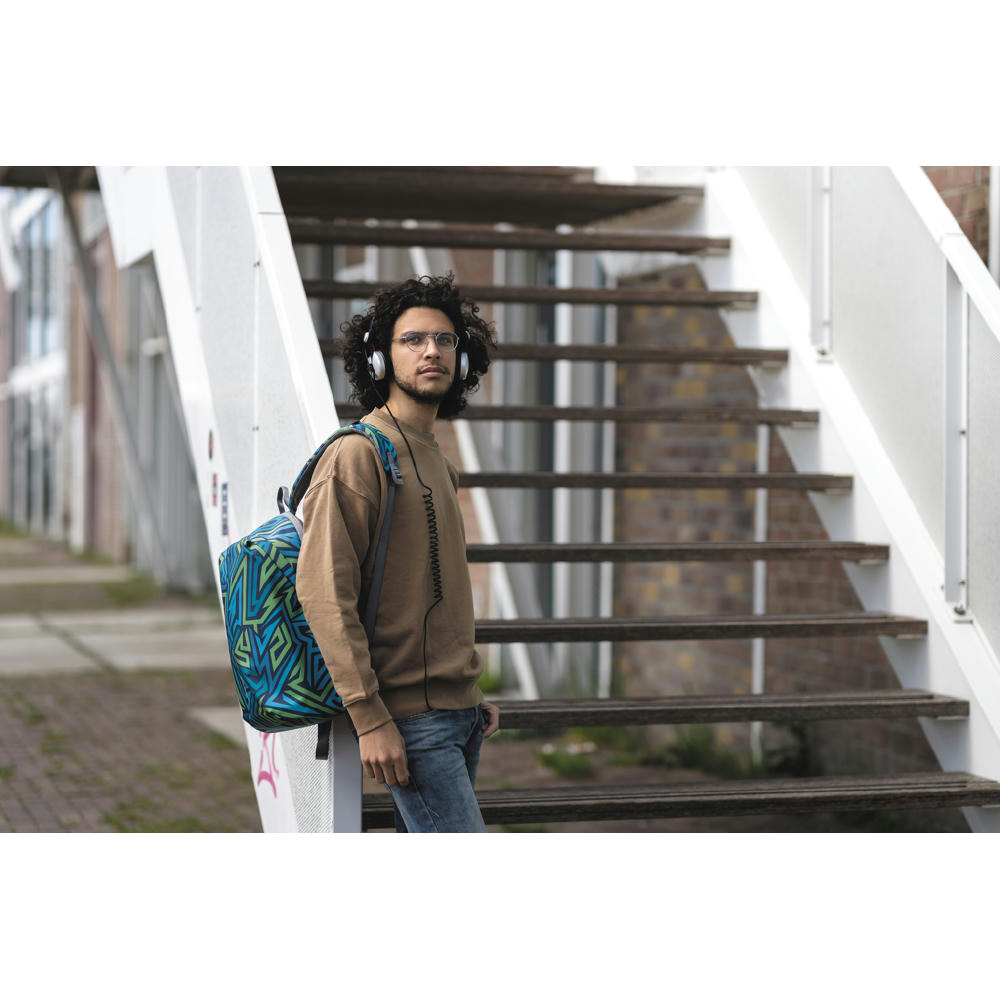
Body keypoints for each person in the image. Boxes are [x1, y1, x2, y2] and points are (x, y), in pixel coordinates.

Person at [296, 273, 500, 832]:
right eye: (412, 340)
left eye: (444, 340)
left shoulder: (437, 459)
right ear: (380, 359)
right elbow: (323, 592)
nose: (431, 351)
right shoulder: (358, 456)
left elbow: (437, 590)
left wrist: (467, 691)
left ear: (461, 359)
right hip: (409, 721)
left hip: (459, 714)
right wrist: (368, 717)